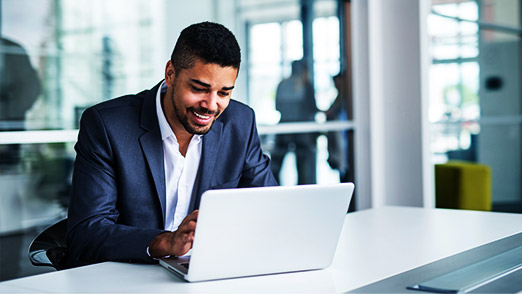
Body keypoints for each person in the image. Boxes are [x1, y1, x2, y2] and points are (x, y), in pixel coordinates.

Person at [66, 22, 277, 268]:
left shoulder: (240, 123)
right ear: (170, 74)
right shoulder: (107, 126)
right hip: (124, 274)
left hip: (204, 274)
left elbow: (268, 208)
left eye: (224, 93)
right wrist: (166, 242)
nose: (210, 105)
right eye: (199, 89)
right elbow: (86, 233)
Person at [270, 60, 318, 185]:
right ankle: (303, 196)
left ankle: (275, 191)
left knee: (276, 166)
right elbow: (312, 108)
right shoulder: (306, 85)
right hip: (302, 131)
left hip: (283, 128)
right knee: (303, 167)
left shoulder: (282, 84)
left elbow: (277, 107)